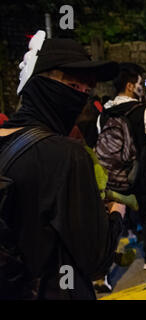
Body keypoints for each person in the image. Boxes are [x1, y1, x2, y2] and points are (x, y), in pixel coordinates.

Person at [0, 30, 124, 299]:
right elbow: (97, 259)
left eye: (87, 87)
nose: (82, 95)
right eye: (72, 84)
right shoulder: (67, 154)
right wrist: (116, 214)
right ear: (39, 83)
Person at [97, 63, 146, 270]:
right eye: (140, 84)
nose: (142, 88)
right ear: (130, 86)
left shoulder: (104, 113)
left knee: (127, 209)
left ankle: (130, 232)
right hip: (144, 175)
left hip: (117, 176)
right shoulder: (143, 111)